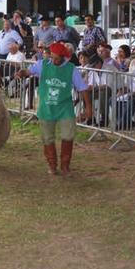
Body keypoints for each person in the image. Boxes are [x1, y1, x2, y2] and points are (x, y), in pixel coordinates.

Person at [17, 43, 92, 175]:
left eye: (57, 58)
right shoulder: (43, 64)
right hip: (46, 107)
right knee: (47, 138)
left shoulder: (71, 68)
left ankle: (65, 165)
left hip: (65, 107)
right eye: (52, 57)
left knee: (68, 136)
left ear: (64, 57)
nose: (53, 60)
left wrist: (88, 107)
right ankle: (52, 164)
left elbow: (83, 88)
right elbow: (29, 71)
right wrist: (22, 73)